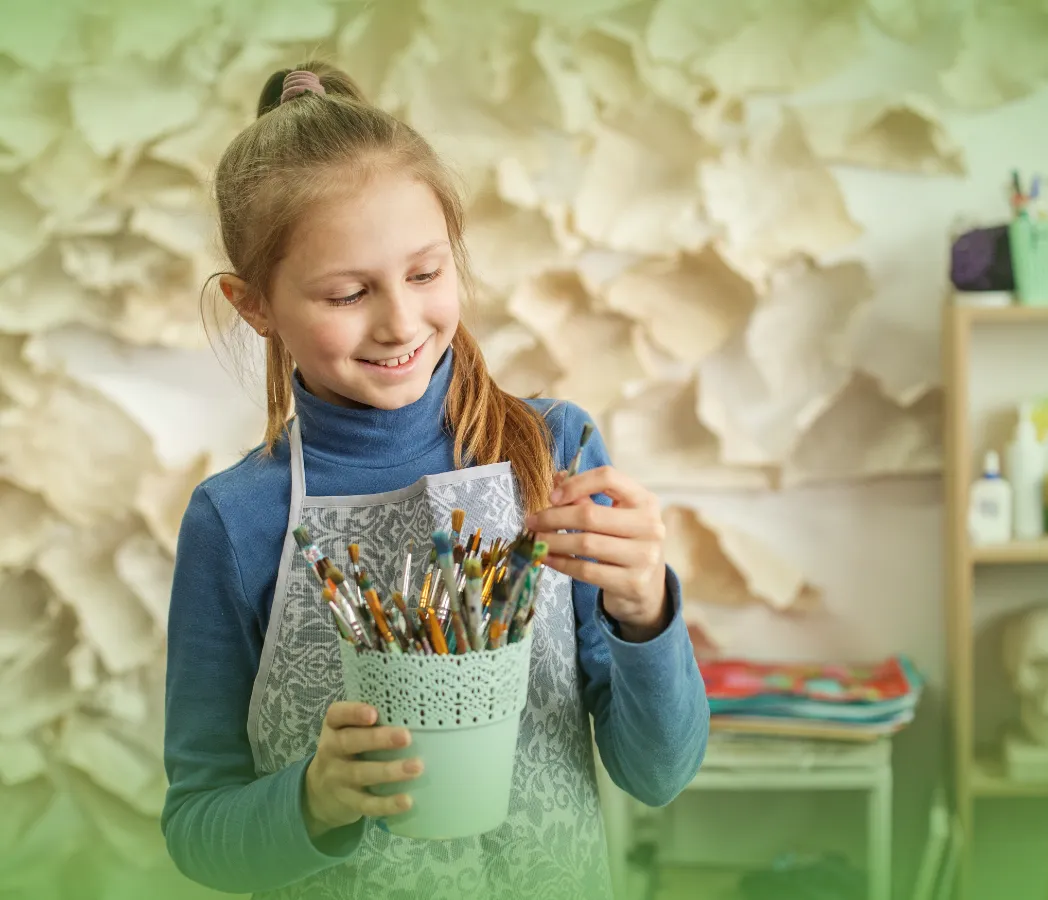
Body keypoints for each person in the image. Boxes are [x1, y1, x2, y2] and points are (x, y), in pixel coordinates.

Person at [162, 62, 709, 900]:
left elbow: (659, 774)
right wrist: (311, 804)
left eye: (425, 274)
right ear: (255, 307)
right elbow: (200, 830)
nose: (400, 322)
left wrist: (646, 610)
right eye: (348, 293)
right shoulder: (236, 519)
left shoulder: (554, 451)